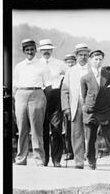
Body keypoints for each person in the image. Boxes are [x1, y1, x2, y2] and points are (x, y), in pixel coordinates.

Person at [80, 49, 110, 170]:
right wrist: (88, 107)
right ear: (90, 60)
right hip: (91, 111)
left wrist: (108, 105)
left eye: (100, 59)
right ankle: (91, 161)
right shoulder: (85, 78)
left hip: (105, 110)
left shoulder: (108, 75)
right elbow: (84, 95)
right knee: (90, 138)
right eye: (96, 59)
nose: (98, 62)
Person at [13, 39, 50, 166]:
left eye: (32, 49)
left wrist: (43, 99)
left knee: (36, 129)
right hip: (21, 95)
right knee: (22, 128)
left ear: (36, 50)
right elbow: (15, 85)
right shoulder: (19, 66)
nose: (30, 52)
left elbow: (48, 85)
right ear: (24, 51)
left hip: (37, 94)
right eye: (27, 50)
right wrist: (18, 96)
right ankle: (21, 158)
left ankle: (39, 160)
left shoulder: (42, 65)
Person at [38, 39, 68, 167]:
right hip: (41, 96)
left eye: (48, 49)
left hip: (56, 97)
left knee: (56, 129)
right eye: (44, 49)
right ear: (40, 50)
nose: (46, 51)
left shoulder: (60, 64)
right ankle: (44, 159)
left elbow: (69, 76)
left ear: (52, 50)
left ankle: (56, 159)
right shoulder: (36, 64)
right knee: (43, 129)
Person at [61, 43, 91, 169]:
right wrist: (66, 107)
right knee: (76, 133)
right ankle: (79, 161)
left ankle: (91, 160)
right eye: (80, 55)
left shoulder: (92, 69)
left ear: (88, 56)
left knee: (90, 133)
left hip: (89, 105)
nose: (83, 57)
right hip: (75, 104)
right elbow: (64, 91)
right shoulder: (70, 71)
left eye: (85, 55)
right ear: (76, 56)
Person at [63, 54, 77, 161]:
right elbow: (63, 92)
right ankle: (69, 152)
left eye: (72, 62)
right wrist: (65, 107)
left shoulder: (78, 74)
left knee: (78, 130)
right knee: (68, 130)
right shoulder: (64, 76)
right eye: (68, 62)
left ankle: (80, 152)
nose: (70, 64)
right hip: (67, 106)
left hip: (77, 105)